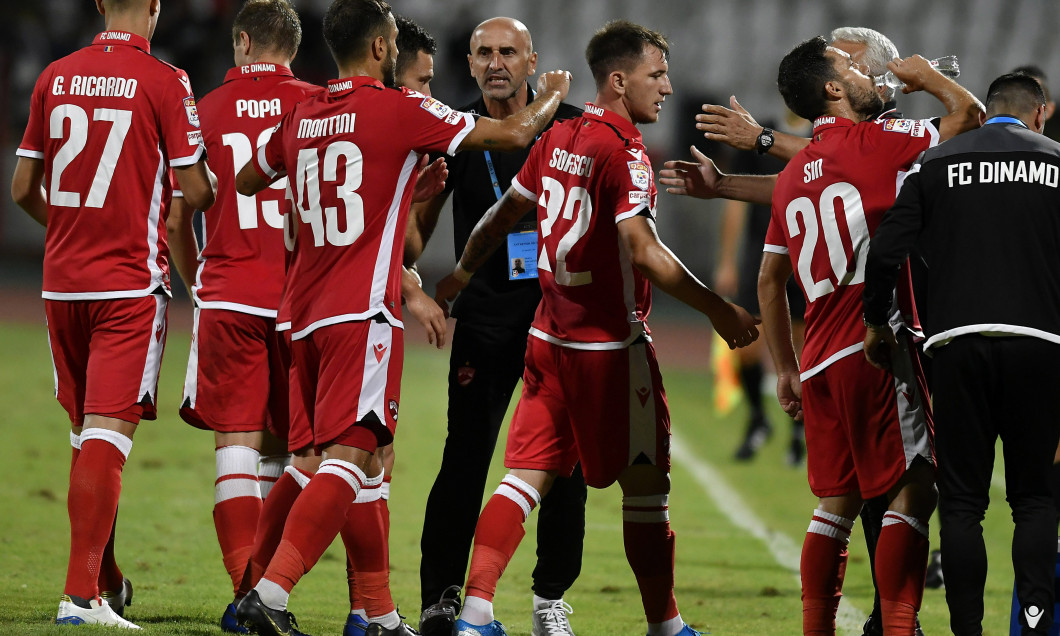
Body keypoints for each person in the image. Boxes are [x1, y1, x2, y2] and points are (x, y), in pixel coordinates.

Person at [231, 0, 573, 634]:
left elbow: (250, 180)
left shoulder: (303, 111)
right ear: (384, 50)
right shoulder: (400, 109)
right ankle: (269, 595)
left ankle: (379, 613)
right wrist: (552, 95)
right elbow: (515, 134)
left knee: (340, 457)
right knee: (355, 454)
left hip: (299, 311)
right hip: (360, 310)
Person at [432, 19, 760, 636]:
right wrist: (719, 309)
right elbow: (643, 249)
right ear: (618, 80)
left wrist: (460, 273)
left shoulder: (557, 139)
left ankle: (475, 615)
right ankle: (666, 625)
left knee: (521, 480)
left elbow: (502, 214)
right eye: (655, 74)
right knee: (646, 488)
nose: (666, 86)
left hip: (547, 337)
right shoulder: (624, 150)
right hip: (610, 349)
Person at [747, 37, 978, 635]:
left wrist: (785, 369)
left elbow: (769, 283)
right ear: (831, 88)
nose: (863, 73)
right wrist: (929, 78)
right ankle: (902, 628)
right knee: (913, 491)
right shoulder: (881, 144)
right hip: (877, 347)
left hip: (820, 359)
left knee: (835, 506)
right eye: (850, 67)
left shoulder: (794, 174)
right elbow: (971, 117)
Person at [10, 0, 216, 627]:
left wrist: (71, 228)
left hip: (61, 283)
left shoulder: (56, 74)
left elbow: (22, 188)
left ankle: (104, 576)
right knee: (108, 433)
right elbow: (199, 190)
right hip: (127, 283)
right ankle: (80, 598)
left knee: (85, 433)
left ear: (99, 3)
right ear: (154, 8)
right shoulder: (163, 79)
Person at [404, 17, 587, 636]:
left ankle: (549, 599)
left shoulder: (574, 126)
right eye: (484, 53)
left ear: (533, 60)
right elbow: (413, 239)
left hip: (561, 320)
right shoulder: (457, 134)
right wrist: (407, 201)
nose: (496, 62)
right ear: (472, 63)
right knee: (465, 459)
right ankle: (440, 597)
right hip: (485, 321)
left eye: (509, 51)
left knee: (566, 466)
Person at [863, 71, 1060, 636]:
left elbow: (885, 252)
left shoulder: (935, 164)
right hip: (1041, 349)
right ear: (1039, 114)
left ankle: (967, 630)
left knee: (963, 502)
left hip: (956, 347)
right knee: (1034, 499)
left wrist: (877, 321)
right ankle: (1035, 619)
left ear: (986, 111)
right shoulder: (1056, 162)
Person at [165, 2, 321, 632]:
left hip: (229, 292)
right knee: (299, 451)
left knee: (236, 446)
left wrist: (199, 276)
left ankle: (244, 593)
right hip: (304, 300)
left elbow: (179, 215)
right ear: (294, 46)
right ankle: (276, 594)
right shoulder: (318, 104)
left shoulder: (203, 109)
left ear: (244, 42)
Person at [714, 108, 809, 464]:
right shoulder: (754, 135)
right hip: (763, 253)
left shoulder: (822, 135)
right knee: (748, 346)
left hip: (805, 248)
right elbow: (736, 207)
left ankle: (800, 430)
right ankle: (757, 420)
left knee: (802, 344)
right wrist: (727, 260)